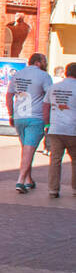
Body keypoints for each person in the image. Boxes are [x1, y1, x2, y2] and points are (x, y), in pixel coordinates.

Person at [7, 52, 53, 194]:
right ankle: (21, 180)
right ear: (38, 62)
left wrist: (11, 114)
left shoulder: (17, 75)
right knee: (29, 149)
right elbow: (50, 97)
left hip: (20, 117)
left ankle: (28, 180)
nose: (45, 63)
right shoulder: (44, 76)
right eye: (44, 61)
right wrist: (49, 120)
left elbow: (9, 95)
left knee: (27, 149)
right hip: (36, 117)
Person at [44, 62, 76, 198]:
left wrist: (46, 124)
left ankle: (53, 189)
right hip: (73, 129)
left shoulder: (54, 87)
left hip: (55, 128)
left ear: (66, 72)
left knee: (55, 160)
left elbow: (45, 106)